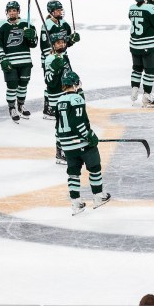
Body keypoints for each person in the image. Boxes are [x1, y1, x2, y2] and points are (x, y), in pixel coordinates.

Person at [53, 71, 112, 214]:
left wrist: (60, 143)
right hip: (81, 142)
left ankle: (75, 203)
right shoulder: (76, 99)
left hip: (67, 143)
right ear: (75, 83)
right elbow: (77, 122)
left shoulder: (60, 100)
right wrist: (89, 135)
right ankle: (98, 196)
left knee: (73, 173)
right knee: (94, 167)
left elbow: (57, 125)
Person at [0, 1, 38, 122]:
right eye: (10, 11)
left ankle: (21, 105)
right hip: (10, 62)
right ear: (7, 12)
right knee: (12, 85)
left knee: (23, 84)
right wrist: (2, 59)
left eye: (14, 10)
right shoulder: (1, 26)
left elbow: (34, 44)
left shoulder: (27, 24)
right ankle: (12, 107)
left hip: (25, 61)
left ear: (18, 11)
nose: (12, 13)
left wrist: (32, 36)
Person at [129, 0, 154, 106]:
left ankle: (134, 90)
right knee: (150, 71)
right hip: (148, 45)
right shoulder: (151, 8)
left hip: (134, 44)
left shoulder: (131, 8)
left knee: (137, 68)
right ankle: (147, 96)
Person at [43, 32, 74, 163]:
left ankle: (65, 147)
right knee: (61, 123)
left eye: (63, 42)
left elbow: (70, 73)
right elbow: (49, 81)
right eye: (58, 43)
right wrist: (55, 71)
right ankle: (60, 151)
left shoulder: (64, 56)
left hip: (67, 93)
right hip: (57, 96)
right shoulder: (50, 59)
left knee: (67, 123)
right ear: (53, 45)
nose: (62, 44)